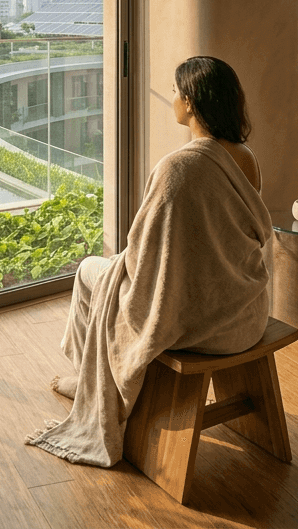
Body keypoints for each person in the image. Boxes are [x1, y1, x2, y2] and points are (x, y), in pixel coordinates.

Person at [26, 56, 272, 467]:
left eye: (176, 91)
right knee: (109, 275)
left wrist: (124, 266)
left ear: (190, 102)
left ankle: (93, 383)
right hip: (245, 313)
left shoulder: (177, 167)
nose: (172, 98)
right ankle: (91, 380)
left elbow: (143, 252)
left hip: (198, 325)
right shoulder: (246, 158)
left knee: (91, 271)